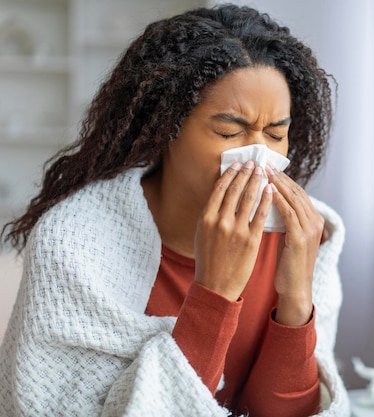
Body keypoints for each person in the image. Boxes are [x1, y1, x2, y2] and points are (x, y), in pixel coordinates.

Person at [0, 4, 349, 417]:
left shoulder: (307, 233)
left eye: (276, 134)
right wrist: (214, 292)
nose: (259, 158)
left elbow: (290, 412)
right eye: (229, 131)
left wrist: (296, 301)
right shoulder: (75, 239)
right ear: (166, 126)